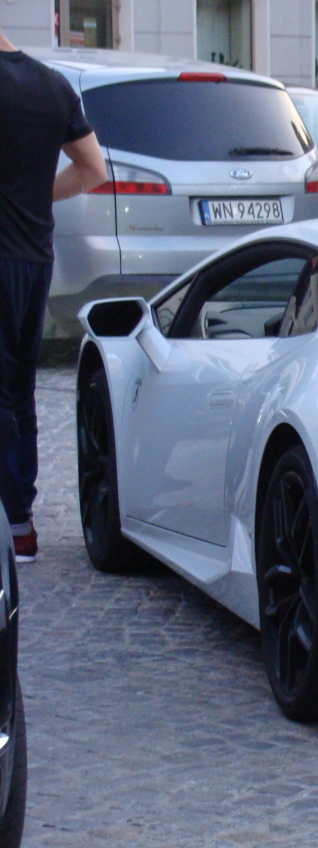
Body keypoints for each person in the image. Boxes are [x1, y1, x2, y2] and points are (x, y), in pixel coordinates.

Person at [0, 23, 107, 561]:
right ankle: (21, 525)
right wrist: (34, 194)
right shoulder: (52, 86)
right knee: (19, 390)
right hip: (33, 257)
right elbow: (93, 169)